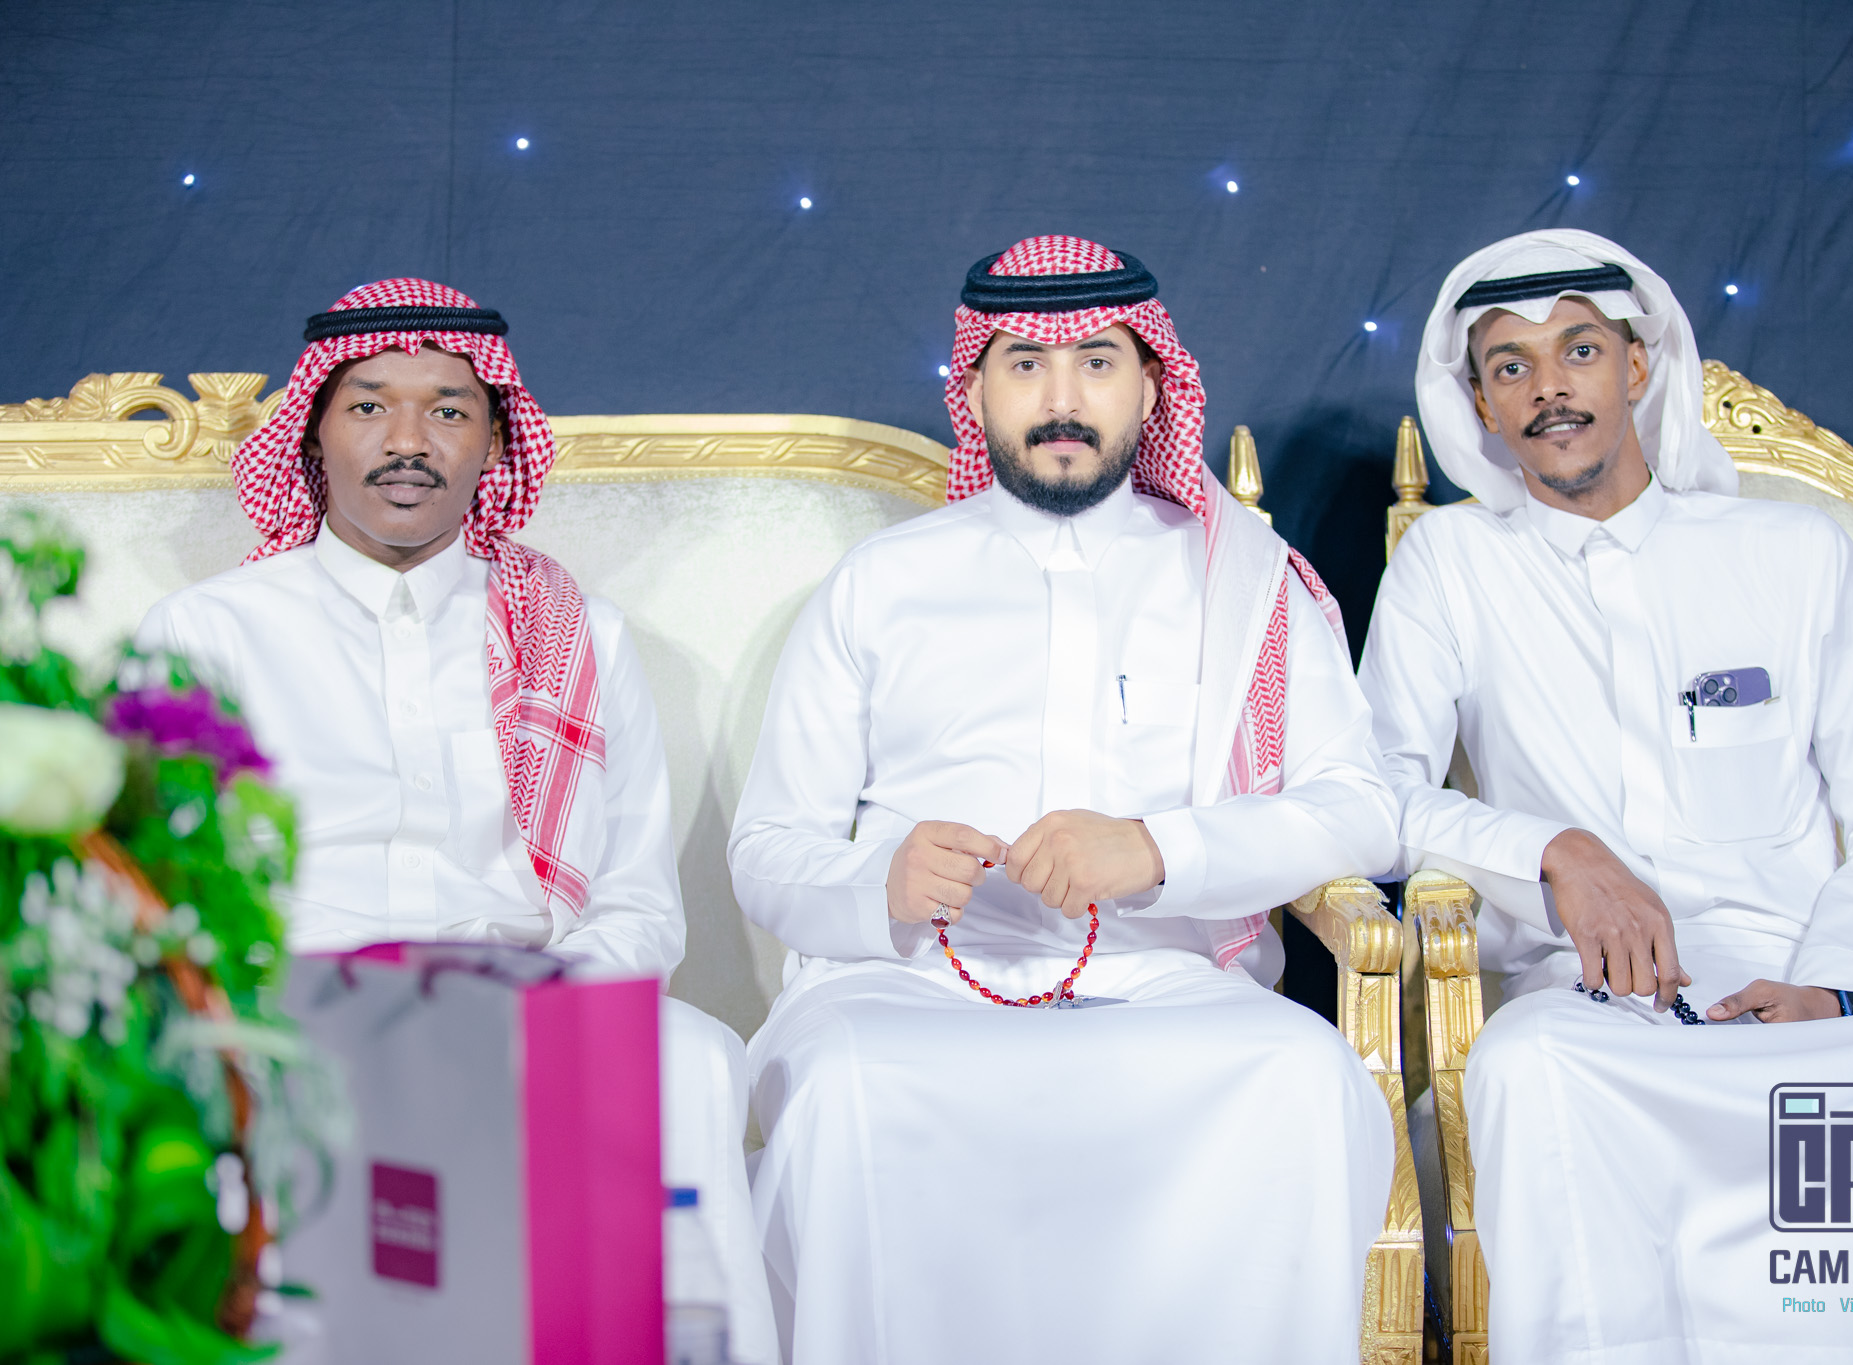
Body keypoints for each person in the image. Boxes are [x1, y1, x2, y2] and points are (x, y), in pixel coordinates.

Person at [1359, 229, 1853, 1361]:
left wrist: (1833, 984)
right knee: (1531, 1072)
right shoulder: (1451, 564)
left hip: (1810, 981)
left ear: (1637, 365)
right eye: (1511, 365)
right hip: (1597, 1008)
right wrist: (1552, 850)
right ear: (1479, 403)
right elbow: (1371, 795)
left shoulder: (1791, 550)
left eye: (1579, 350)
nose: (1549, 388)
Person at [731, 236, 1400, 1364]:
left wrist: (1156, 850)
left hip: (1166, 981)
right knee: (844, 1087)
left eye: (1096, 363)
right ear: (973, 391)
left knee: (1300, 1076)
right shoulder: (881, 584)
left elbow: (1359, 809)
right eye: (1025, 365)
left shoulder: (1242, 580)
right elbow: (765, 846)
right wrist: (879, 880)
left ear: (1151, 386)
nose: (1061, 401)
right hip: (909, 985)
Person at [136, 279, 775, 1363]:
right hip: (289, 998)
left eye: (447, 410)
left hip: (530, 997)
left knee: (691, 1062)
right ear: (312, 434)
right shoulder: (210, 633)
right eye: (369, 406)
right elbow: (164, 889)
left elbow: (635, 903)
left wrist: (535, 1008)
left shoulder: (578, 636)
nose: (408, 442)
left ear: (494, 441)